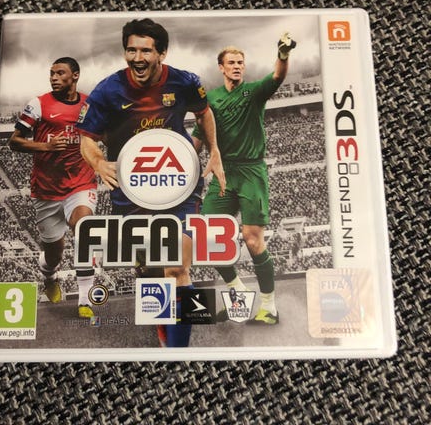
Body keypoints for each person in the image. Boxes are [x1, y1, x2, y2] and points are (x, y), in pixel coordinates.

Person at [78, 18, 225, 347]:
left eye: (146, 51)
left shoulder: (184, 82)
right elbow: (87, 138)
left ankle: (177, 351)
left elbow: (204, 113)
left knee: (176, 268)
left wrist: (214, 150)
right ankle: (162, 324)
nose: (137, 57)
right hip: (131, 192)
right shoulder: (107, 91)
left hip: (178, 184)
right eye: (131, 50)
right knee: (148, 270)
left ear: (162, 53)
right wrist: (98, 162)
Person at [193, 33, 296, 324]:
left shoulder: (253, 92)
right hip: (223, 174)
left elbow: (277, 76)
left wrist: (283, 54)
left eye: (240, 62)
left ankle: (269, 307)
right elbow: (198, 138)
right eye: (231, 63)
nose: (237, 66)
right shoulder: (211, 100)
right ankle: (238, 291)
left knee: (252, 240)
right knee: (208, 238)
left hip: (251, 172)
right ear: (221, 67)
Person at [9, 57, 97, 318]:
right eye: (52, 74)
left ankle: (85, 301)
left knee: (85, 229)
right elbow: (14, 141)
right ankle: (49, 276)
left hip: (80, 182)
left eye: (60, 73)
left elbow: (102, 133)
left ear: (75, 75)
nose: (54, 78)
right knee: (53, 253)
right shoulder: (38, 105)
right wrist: (45, 146)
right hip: (46, 189)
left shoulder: (89, 105)